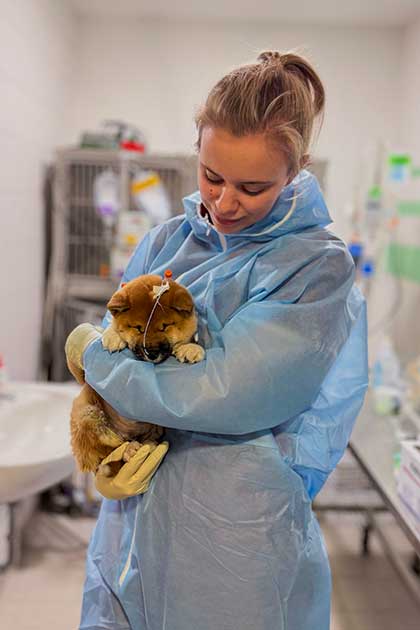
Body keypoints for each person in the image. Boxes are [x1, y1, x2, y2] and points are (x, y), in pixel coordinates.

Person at [66, 50, 368, 630]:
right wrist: (106, 445)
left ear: (297, 170)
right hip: (134, 524)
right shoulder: (166, 241)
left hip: (235, 533)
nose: (224, 203)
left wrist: (94, 358)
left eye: (253, 187)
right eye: (211, 176)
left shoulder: (314, 266)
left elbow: (224, 390)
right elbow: (119, 351)